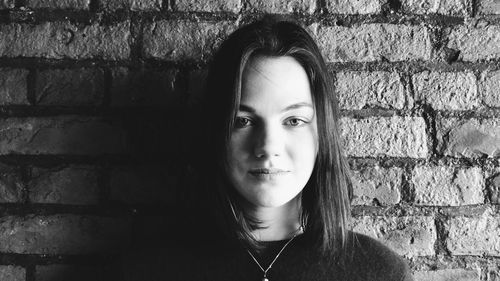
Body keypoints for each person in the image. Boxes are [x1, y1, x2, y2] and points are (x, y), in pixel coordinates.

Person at [121, 15, 414, 281]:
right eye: (243, 120)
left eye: (294, 120)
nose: (268, 146)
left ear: (322, 134)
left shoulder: (380, 273)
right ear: (216, 132)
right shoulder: (149, 270)